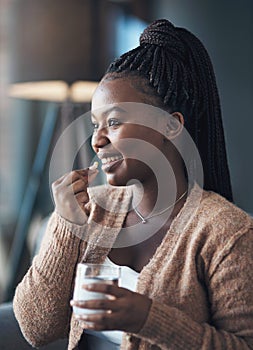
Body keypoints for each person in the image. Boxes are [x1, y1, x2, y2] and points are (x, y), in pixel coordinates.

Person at [13, 19, 253, 350]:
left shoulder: (227, 232)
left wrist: (146, 319)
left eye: (113, 122)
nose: (97, 140)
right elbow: (36, 329)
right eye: (95, 124)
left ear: (171, 126)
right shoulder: (88, 208)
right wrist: (68, 226)